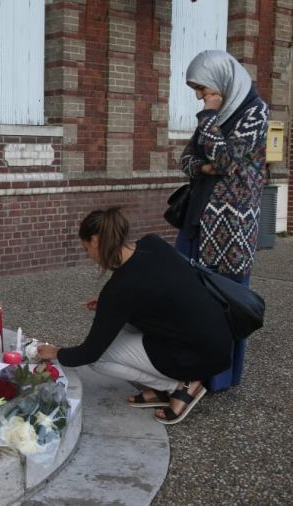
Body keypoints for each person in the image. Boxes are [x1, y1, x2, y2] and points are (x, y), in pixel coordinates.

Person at [39, 208, 233, 424]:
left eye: (86, 249)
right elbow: (159, 292)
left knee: (99, 359)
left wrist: (57, 352)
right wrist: (107, 306)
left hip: (196, 356)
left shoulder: (120, 288)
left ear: (95, 241)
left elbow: (89, 353)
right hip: (218, 340)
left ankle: (179, 386)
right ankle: (163, 388)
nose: (90, 257)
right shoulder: (152, 244)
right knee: (114, 330)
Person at [175, 50, 268, 391]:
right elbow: (184, 159)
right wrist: (203, 166)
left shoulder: (254, 112)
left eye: (202, 88)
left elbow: (227, 159)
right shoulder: (212, 117)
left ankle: (219, 379)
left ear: (220, 81)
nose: (200, 96)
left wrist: (210, 119)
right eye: (197, 90)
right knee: (189, 296)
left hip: (232, 225)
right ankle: (190, 371)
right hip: (197, 218)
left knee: (227, 303)